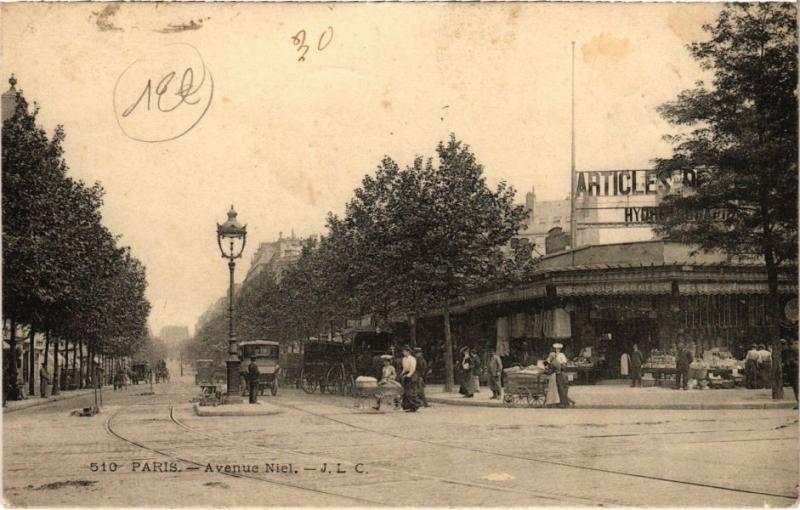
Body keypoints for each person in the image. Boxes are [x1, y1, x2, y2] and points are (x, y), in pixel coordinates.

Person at [400, 346, 420, 412]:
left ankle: (414, 406)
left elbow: (412, 368)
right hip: (406, 374)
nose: (403, 353)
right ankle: (407, 406)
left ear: (408, 352)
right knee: (405, 391)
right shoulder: (404, 359)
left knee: (411, 391)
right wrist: (402, 373)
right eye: (403, 352)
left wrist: (408, 375)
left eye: (404, 351)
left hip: (412, 375)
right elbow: (404, 368)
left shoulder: (412, 359)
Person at [782, 340, 798, 409]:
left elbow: (789, 361)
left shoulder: (790, 350)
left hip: (794, 369)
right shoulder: (794, 348)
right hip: (794, 368)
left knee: (796, 386)